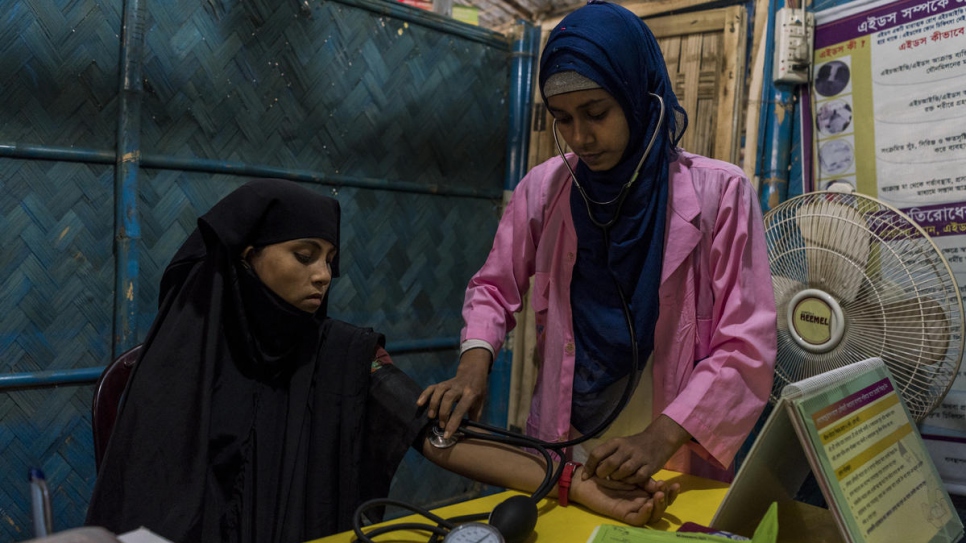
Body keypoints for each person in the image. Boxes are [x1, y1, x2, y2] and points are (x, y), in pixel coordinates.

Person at [85, 178, 677, 543]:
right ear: (247, 256)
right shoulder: (176, 366)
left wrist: (577, 486)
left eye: (330, 258)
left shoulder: (344, 355)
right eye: (304, 254)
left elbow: (439, 435)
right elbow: (143, 503)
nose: (325, 274)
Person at [419, 0, 777, 487]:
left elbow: (746, 343)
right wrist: (473, 364)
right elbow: (492, 286)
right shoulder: (545, 190)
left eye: (596, 112)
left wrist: (659, 438)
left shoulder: (722, 194)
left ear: (638, 95)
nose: (581, 137)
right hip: (567, 437)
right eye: (562, 119)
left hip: (672, 446)